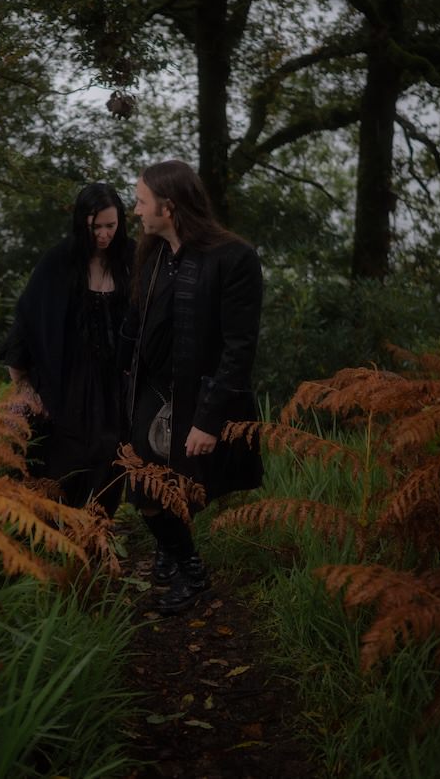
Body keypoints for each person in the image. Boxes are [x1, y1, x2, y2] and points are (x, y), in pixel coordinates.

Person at [119, 159, 263, 614]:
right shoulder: (153, 254)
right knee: (143, 490)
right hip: (153, 393)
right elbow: (134, 326)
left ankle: (183, 567)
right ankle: (191, 567)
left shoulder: (233, 258)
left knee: (186, 489)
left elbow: (239, 349)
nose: (136, 210)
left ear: (169, 206)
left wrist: (208, 419)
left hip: (201, 397)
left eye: (142, 202)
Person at [0, 183, 134, 516]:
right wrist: (23, 388)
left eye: (110, 226)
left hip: (114, 384)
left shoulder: (131, 257)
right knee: (63, 463)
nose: (104, 235)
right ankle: (51, 543)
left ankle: (96, 541)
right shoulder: (59, 261)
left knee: (109, 460)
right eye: (96, 227)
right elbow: (27, 323)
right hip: (65, 381)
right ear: (81, 222)